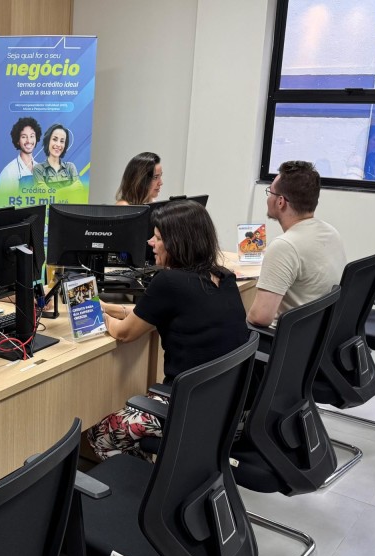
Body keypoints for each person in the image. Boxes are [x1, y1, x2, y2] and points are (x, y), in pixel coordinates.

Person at [87, 202, 250, 460]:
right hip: (229, 409)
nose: (151, 243)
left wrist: (95, 314)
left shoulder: (169, 282)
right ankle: (164, 473)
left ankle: (151, 482)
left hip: (189, 411)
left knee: (100, 434)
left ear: (178, 243)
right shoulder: (223, 278)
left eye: (159, 238)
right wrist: (107, 306)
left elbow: (124, 333)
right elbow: (152, 312)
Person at [247, 160, 346, 328]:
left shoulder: (284, 246)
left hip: (283, 339)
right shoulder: (331, 233)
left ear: (280, 202)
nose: (268, 198)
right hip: (317, 334)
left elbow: (259, 318)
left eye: (270, 192)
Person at [0, 117, 41, 194]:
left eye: (32, 136)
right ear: (17, 141)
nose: (28, 141)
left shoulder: (40, 169)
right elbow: (1, 200)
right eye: (24, 137)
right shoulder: (9, 172)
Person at [32, 124, 80, 190]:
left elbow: (80, 190)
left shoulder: (70, 167)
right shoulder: (38, 169)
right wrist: (71, 188)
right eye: (55, 139)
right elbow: (46, 194)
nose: (58, 144)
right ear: (48, 141)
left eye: (62, 141)